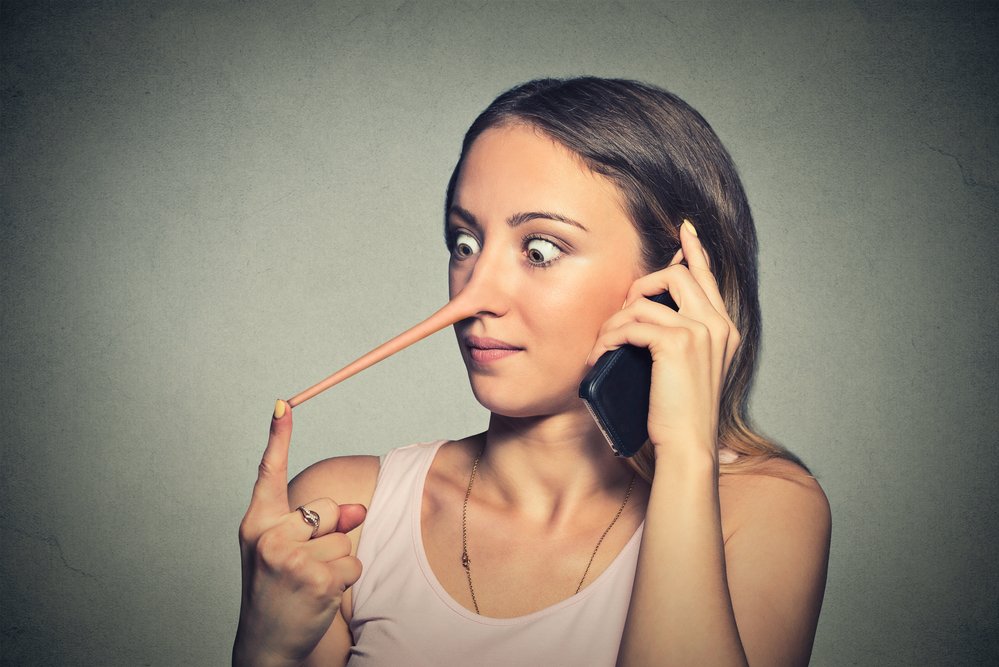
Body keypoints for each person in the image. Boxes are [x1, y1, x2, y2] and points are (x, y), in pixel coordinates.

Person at [233, 77, 832, 667]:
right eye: (465, 243)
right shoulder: (340, 517)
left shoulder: (763, 511)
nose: (472, 296)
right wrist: (263, 648)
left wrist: (683, 453)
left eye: (539, 250)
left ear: (675, 285)